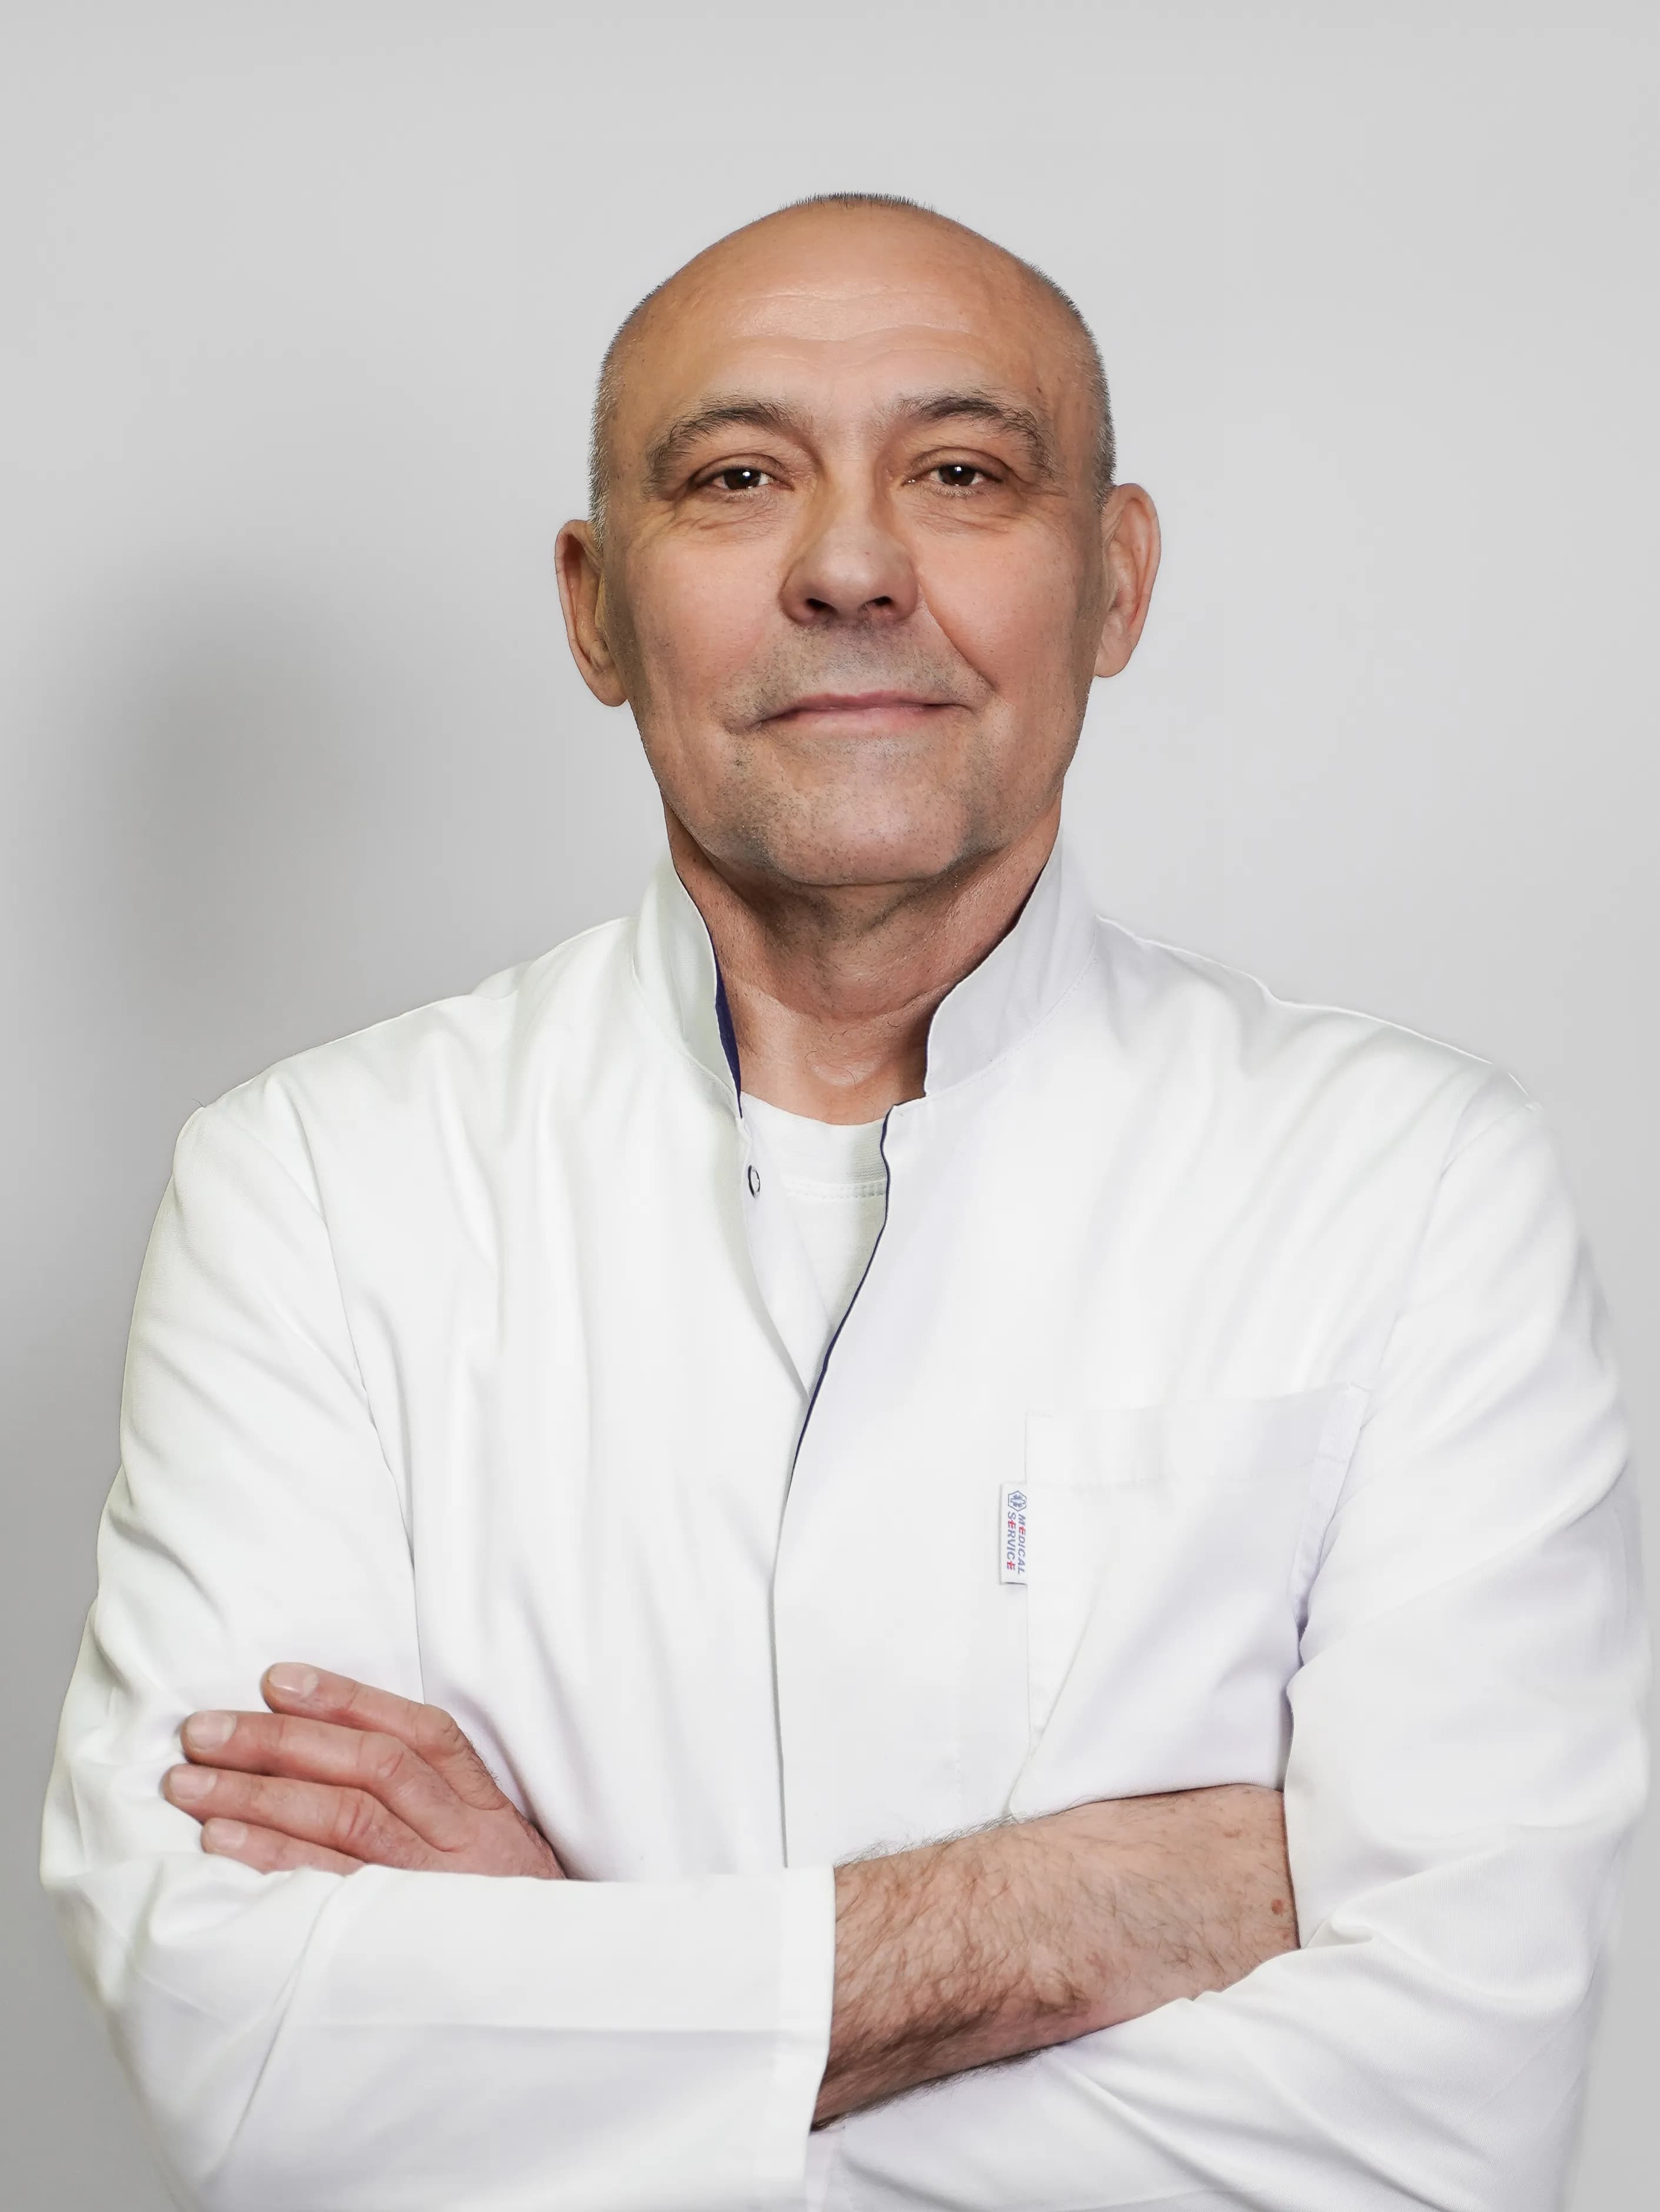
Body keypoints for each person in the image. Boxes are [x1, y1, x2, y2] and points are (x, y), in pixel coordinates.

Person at [43, 193, 1645, 2212]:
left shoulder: (1410, 1186)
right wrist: (1081, 1909)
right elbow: (254, 2069)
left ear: (1117, 578)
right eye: (737, 479)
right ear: (595, 606)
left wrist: (559, 2004)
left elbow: (1448, 2129)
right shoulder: (312, 1188)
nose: (855, 566)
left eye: (962, 474)